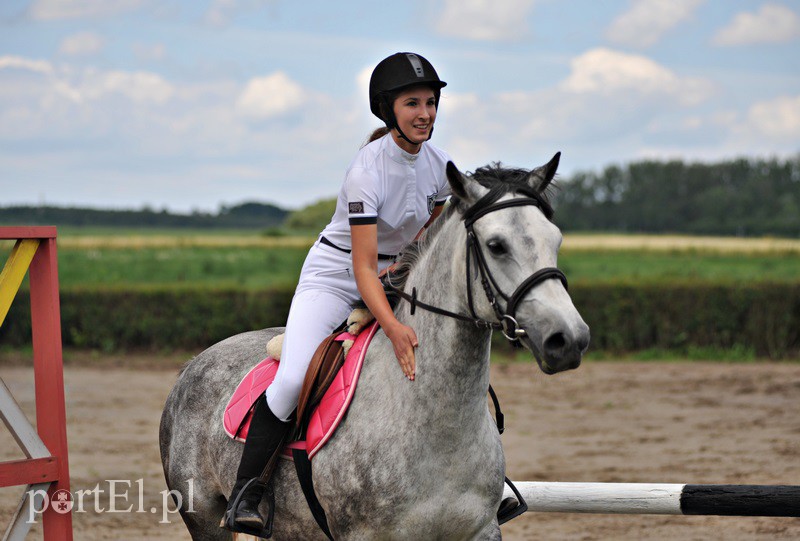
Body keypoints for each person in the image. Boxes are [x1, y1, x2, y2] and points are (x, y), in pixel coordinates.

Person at [223, 52, 452, 533]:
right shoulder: (366, 170)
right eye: (414, 103)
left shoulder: (440, 166)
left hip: (396, 276)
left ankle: (471, 485)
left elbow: (430, 238)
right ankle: (247, 492)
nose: (426, 113)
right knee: (290, 381)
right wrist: (390, 326)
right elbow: (362, 265)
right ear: (390, 110)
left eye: (431, 102)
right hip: (338, 276)